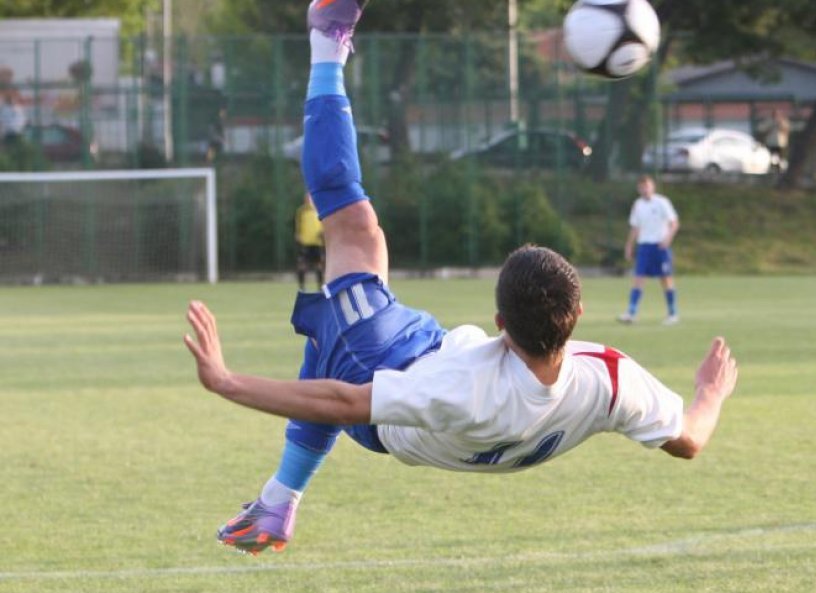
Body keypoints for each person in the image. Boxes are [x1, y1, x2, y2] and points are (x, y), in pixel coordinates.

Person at [184, 0, 739, 556]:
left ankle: (326, 38)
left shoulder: (465, 389)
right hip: (432, 362)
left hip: (395, 396)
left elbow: (345, 403)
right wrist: (709, 394)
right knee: (342, 312)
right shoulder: (610, 383)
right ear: (575, 319)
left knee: (353, 234)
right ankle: (278, 501)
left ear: (499, 323)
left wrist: (226, 381)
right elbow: (689, 439)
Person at [618, 175, 680, 325]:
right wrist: (629, 245)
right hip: (645, 246)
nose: (645, 189)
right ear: (639, 189)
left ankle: (673, 314)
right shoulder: (638, 205)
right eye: (642, 187)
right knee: (638, 278)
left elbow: (674, 223)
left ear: (653, 187)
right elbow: (635, 227)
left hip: (660, 247)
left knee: (666, 279)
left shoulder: (662, 202)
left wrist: (667, 239)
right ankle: (631, 313)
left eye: (647, 186)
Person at [294, 193, 324, 290]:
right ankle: (302, 287)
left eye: (311, 198)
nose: (309, 200)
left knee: (319, 266)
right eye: (307, 198)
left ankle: (320, 288)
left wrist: (322, 233)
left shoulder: (320, 210)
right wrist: (298, 235)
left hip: (317, 243)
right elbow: (297, 226)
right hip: (305, 243)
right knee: (302, 266)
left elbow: (323, 224)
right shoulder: (301, 211)